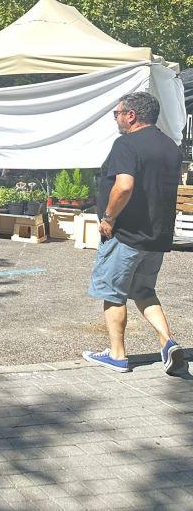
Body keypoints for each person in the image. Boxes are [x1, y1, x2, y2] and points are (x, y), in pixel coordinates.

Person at [83, 92, 184, 375]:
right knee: (144, 290)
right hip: (157, 234)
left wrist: (108, 218)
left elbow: (124, 186)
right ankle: (168, 341)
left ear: (131, 115)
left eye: (117, 113)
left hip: (126, 234)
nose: (115, 118)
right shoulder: (170, 147)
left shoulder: (126, 144)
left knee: (113, 294)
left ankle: (117, 356)